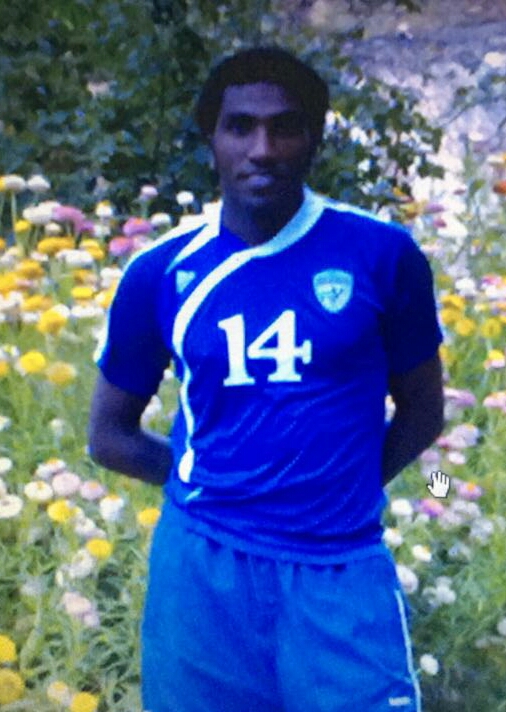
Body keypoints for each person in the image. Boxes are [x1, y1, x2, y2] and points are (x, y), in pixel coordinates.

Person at [88, 46, 444, 712]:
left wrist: (342, 486)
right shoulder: (160, 272)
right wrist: (224, 485)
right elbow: (109, 436)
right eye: (240, 127)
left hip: (340, 568)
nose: (263, 148)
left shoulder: (383, 255)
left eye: (285, 127)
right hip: (203, 568)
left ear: (314, 139)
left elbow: (424, 411)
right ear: (211, 139)